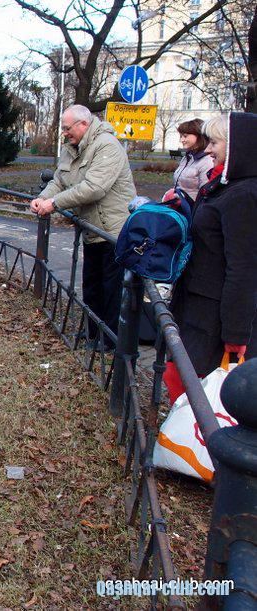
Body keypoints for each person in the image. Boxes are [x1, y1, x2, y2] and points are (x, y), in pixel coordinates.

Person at [162, 112, 257, 404]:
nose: (209, 149)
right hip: (198, 308)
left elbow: (243, 268)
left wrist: (235, 336)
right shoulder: (224, 186)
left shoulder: (244, 196)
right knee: (179, 378)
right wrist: (183, 206)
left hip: (214, 321)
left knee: (198, 393)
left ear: (238, 146)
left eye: (215, 142)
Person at [31, 104, 136, 341]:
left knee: (111, 288)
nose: (64, 133)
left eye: (68, 128)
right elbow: (59, 180)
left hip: (114, 230)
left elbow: (94, 188)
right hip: (92, 228)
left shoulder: (107, 146)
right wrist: (43, 198)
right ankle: (92, 333)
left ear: (84, 124)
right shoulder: (71, 148)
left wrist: (54, 203)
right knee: (91, 284)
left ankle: (109, 341)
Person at [171, 119, 212, 201]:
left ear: (199, 135)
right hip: (181, 205)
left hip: (194, 207)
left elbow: (206, 194)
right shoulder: (187, 158)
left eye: (185, 136)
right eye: (181, 136)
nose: (181, 140)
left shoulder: (208, 161)